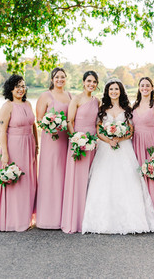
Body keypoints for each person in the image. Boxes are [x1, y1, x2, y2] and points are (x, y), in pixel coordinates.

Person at [82, 79, 154, 234]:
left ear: (121, 91)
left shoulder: (127, 109)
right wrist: (109, 140)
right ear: (107, 92)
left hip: (124, 148)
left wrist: (119, 138)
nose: (114, 92)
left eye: (116, 89)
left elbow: (130, 130)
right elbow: (98, 130)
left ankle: (131, 220)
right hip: (105, 148)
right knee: (104, 181)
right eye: (111, 89)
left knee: (127, 181)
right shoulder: (102, 109)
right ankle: (101, 221)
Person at [0, 75, 38, 232]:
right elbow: (2, 131)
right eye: (17, 86)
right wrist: (5, 154)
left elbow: (33, 125)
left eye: (23, 86)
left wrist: (37, 144)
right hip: (14, 146)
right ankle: (13, 221)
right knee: (15, 182)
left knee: (28, 182)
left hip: (29, 146)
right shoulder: (7, 106)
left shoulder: (28, 104)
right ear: (10, 88)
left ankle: (26, 218)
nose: (21, 89)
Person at [61, 71, 100, 233]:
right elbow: (69, 121)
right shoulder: (75, 99)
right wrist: (76, 139)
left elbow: (98, 121)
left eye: (94, 82)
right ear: (83, 82)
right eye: (89, 81)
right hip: (78, 143)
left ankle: (89, 220)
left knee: (91, 180)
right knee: (77, 180)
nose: (91, 84)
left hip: (93, 144)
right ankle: (74, 220)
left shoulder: (97, 101)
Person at [36, 67, 71, 229]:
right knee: (50, 176)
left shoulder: (69, 95)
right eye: (57, 77)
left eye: (62, 77)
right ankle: (47, 218)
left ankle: (63, 216)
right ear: (52, 79)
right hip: (51, 140)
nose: (60, 79)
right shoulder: (45, 96)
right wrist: (52, 125)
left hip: (66, 140)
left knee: (64, 176)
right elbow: (39, 119)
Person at [132, 77, 154, 232]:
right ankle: (142, 218)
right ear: (139, 88)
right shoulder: (134, 106)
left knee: (153, 180)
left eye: (147, 85)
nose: (145, 88)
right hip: (136, 145)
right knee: (138, 181)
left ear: (152, 88)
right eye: (142, 85)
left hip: (151, 145)